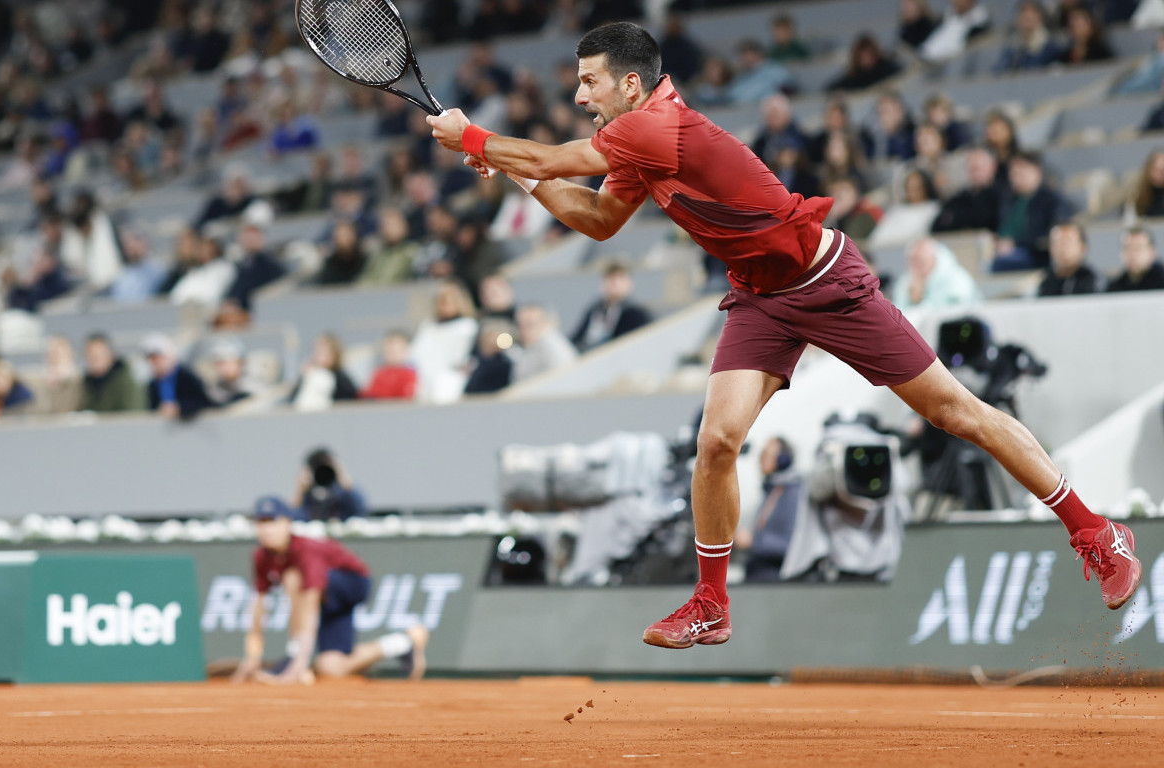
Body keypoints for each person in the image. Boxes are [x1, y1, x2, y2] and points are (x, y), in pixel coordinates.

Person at [427, 21, 1141, 650]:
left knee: (958, 413)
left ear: (631, 82)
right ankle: (711, 604)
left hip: (827, 283)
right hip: (760, 297)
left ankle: (1096, 531)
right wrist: (510, 171)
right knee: (715, 442)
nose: (581, 96)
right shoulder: (638, 143)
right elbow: (597, 219)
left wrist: (478, 139)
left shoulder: (653, 127)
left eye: (589, 82)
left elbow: (556, 160)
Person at [231, 497, 427, 685]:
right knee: (330, 666)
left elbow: (309, 602)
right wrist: (252, 656)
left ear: (288, 523)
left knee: (292, 578)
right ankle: (405, 642)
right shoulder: (261, 556)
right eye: (260, 522)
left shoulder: (305, 549)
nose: (266, 529)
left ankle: (293, 656)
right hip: (327, 603)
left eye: (272, 521)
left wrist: (298, 662)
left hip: (352, 583)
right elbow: (258, 606)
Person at [733, 437, 802, 583]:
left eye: (765, 454)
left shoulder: (792, 494)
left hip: (775, 575)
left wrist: (753, 541)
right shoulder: (773, 491)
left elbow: (791, 543)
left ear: (782, 460)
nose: (760, 460)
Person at [569, 263, 652, 352]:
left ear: (629, 283)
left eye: (620, 278)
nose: (614, 282)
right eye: (610, 278)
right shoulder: (595, 309)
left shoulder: (637, 314)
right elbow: (576, 338)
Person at [890, 237, 983, 314]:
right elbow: (898, 314)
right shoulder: (905, 281)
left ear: (934, 259)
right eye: (911, 262)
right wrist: (914, 300)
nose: (915, 267)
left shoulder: (956, 278)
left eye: (920, 261)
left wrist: (919, 301)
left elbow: (954, 311)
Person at [143, 333, 215, 420]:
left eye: (159, 358)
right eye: (152, 360)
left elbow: (203, 401)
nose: (157, 364)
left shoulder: (186, 376)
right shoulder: (153, 383)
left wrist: (179, 408)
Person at [289, 333, 359, 412]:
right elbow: (293, 399)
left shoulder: (340, 378)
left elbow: (350, 399)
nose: (320, 356)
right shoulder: (309, 375)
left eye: (325, 352)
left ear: (334, 354)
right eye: (317, 351)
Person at [295, 448, 368, 522]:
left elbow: (360, 510)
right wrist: (300, 491)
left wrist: (343, 478)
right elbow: (293, 518)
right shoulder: (308, 494)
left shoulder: (342, 493)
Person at [79, 333, 147, 413]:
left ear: (110, 355)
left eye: (97, 356)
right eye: (89, 356)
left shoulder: (126, 381)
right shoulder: (86, 383)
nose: (93, 361)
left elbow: (134, 414)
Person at [511, 304, 578, 383]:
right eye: (520, 325)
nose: (523, 331)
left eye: (530, 324)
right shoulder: (530, 346)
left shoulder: (554, 348)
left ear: (546, 323)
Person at [1037, 223, 1099, 296]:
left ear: (1082, 247)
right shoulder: (1046, 282)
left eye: (1068, 242)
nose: (1062, 248)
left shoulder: (1093, 282)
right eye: (1056, 243)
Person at [361, 330, 419, 401]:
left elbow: (405, 399)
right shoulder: (379, 372)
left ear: (405, 350)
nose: (390, 351)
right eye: (388, 347)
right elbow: (368, 394)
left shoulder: (408, 375)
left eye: (395, 349)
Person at [1106, 227, 1164, 292]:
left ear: (1152, 252)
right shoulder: (1114, 288)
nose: (1132, 254)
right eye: (1127, 248)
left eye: (1138, 248)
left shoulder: (1161, 283)